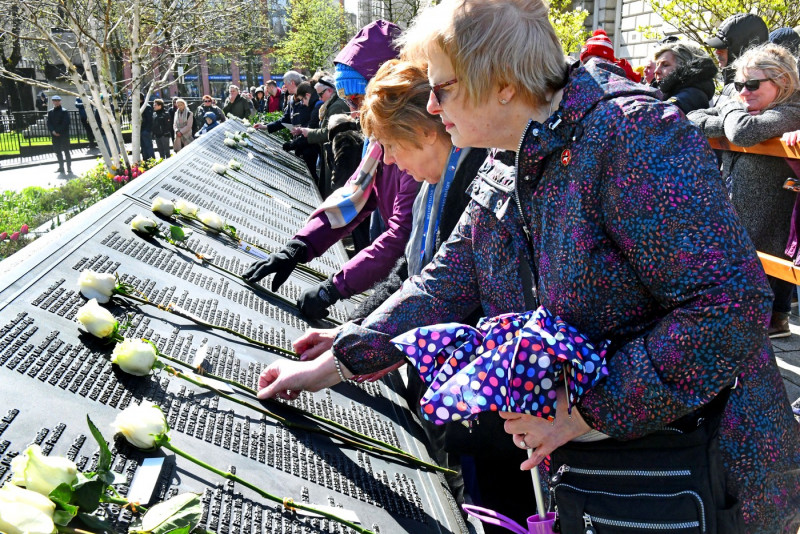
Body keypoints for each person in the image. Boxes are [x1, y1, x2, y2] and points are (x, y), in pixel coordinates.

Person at [256, 1, 800, 533]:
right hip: (619, 469)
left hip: (706, 474)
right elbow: (446, 281)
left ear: (502, 84)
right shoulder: (513, 150)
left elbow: (729, 307)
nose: (433, 108)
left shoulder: (631, 135)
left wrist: (587, 412)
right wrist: (342, 356)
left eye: (441, 88)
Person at [242, 19, 420, 321]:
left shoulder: (414, 145)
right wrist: (298, 247)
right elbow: (352, 197)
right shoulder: (379, 142)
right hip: (398, 270)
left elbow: (401, 236)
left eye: (357, 99)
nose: (354, 111)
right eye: (348, 100)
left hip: (413, 276)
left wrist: (334, 289)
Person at [688, 43, 800, 339]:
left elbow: (742, 132)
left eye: (752, 84)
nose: (742, 92)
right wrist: (733, 116)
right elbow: (693, 118)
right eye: (737, 84)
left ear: (783, 82)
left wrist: (727, 108)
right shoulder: (745, 109)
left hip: (770, 230)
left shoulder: (793, 110)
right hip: (738, 218)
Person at [293, 75, 351, 195]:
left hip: (337, 155)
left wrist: (309, 133)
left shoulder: (337, 106)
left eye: (321, 94)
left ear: (330, 90)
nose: (319, 98)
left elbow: (329, 132)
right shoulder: (331, 104)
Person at [705, 12, 768, 104]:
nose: (717, 51)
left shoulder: (750, 91)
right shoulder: (733, 85)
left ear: (740, 50)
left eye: (723, 47)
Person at [652, 41, 718, 113]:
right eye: (657, 65)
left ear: (684, 67)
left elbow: (660, 116)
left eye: (665, 65)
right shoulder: (672, 90)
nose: (656, 71)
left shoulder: (692, 95)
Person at [280, 82, 323, 184]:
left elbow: (311, 130)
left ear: (308, 95)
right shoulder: (314, 104)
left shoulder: (317, 106)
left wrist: (292, 145)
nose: (302, 103)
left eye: (303, 99)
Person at [46, 95, 71, 175]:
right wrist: (53, 131)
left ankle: (69, 168)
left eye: (57, 101)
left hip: (63, 135)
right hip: (54, 136)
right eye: (54, 101)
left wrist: (58, 131)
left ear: (60, 101)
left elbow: (66, 123)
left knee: (66, 151)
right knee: (58, 152)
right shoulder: (50, 112)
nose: (56, 102)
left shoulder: (64, 111)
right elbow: (49, 123)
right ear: (52, 102)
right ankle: (61, 167)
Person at [139, 94, 155, 160]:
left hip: (145, 129)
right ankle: (145, 160)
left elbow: (150, 119)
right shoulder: (139, 106)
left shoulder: (146, 107)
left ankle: (151, 160)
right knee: (143, 147)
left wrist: (147, 130)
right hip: (141, 129)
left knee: (148, 146)